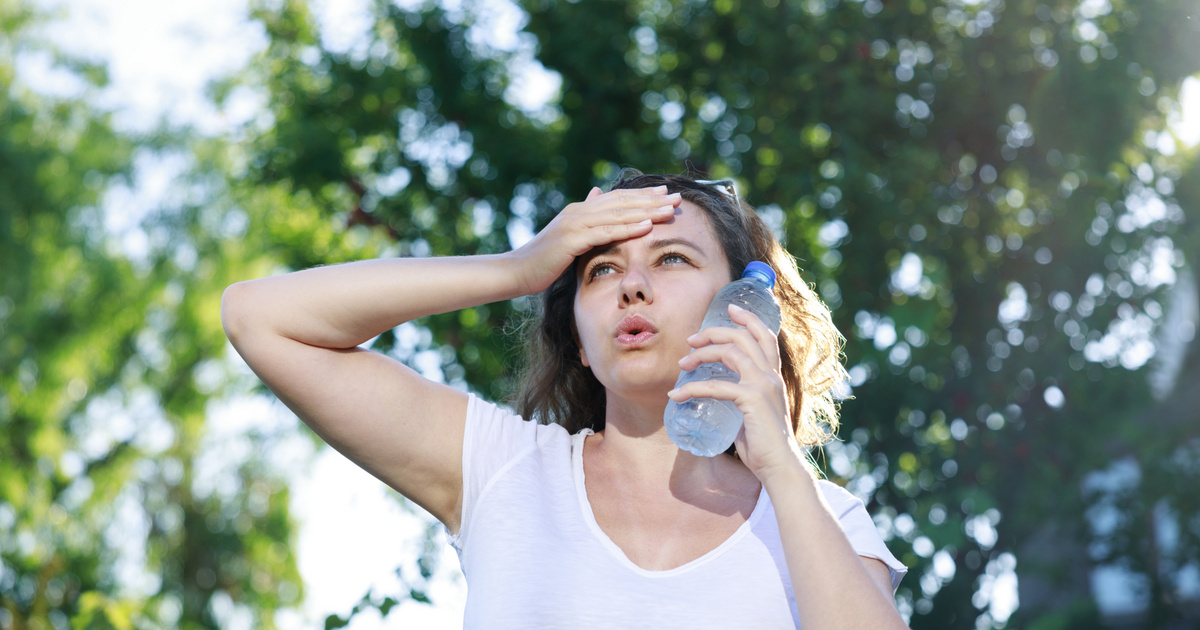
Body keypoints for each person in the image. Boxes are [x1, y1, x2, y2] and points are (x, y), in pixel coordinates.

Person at [221, 171, 908, 628]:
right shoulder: (501, 468)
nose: (631, 286)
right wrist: (516, 267)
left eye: (672, 259)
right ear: (580, 341)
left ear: (742, 310)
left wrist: (783, 468)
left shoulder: (821, 519)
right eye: (601, 269)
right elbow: (261, 318)